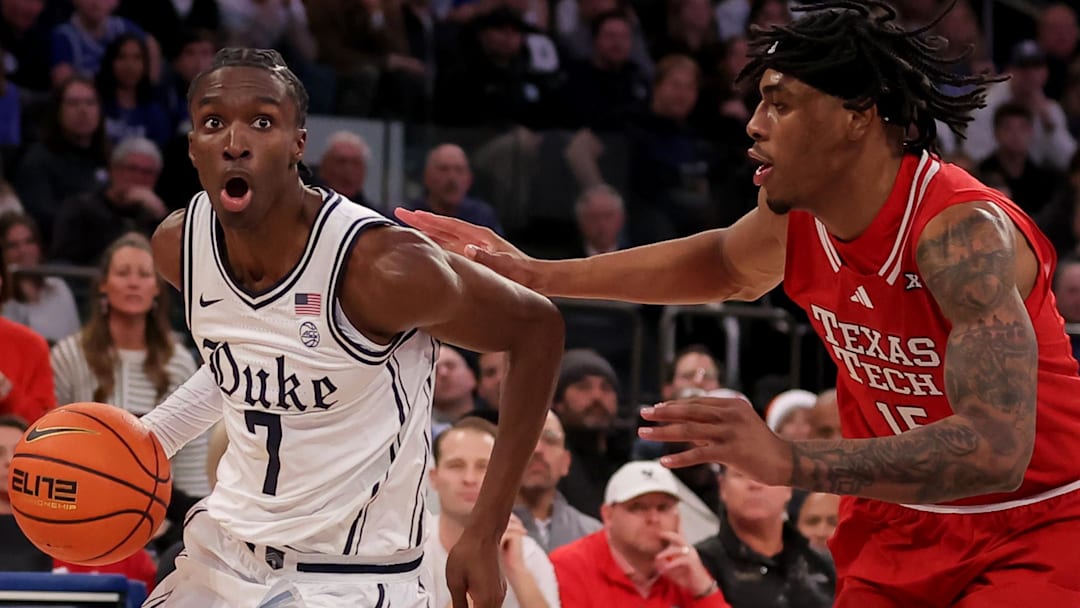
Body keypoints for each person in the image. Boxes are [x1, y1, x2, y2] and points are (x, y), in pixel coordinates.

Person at [397, 2, 1080, 605]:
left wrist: (788, 461)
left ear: (857, 115)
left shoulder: (960, 235)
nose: (754, 124)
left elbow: (996, 448)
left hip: (1034, 521)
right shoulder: (798, 217)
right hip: (897, 519)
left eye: (780, 103)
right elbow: (722, 263)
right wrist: (532, 272)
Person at [139, 48, 564, 608]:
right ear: (193, 146)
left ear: (299, 143)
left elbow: (538, 329)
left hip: (350, 578)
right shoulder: (179, 246)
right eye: (213, 122)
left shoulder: (384, 267)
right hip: (220, 555)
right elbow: (245, 361)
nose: (234, 141)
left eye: (262, 121)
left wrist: (484, 531)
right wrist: (148, 437)